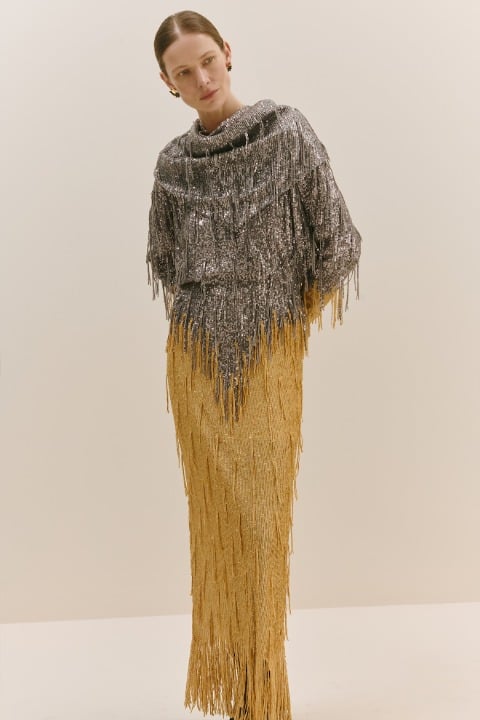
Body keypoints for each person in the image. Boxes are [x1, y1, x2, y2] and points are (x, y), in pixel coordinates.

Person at [146, 10, 361, 720]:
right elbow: (166, 261)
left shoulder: (286, 133)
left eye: (207, 60)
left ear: (228, 53)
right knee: (217, 528)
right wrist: (213, 309)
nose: (201, 79)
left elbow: (338, 242)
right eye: (183, 72)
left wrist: (283, 323)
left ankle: (264, 694)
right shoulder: (173, 166)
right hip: (195, 359)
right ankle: (237, 689)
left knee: (263, 528)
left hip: (269, 352)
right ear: (168, 84)